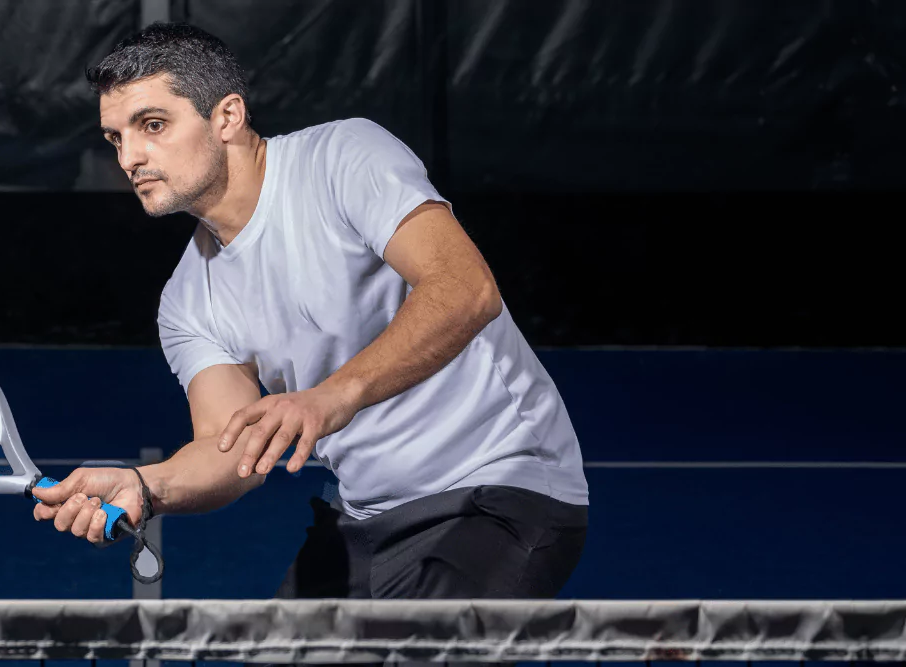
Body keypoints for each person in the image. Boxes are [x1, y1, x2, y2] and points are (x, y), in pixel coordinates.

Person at [31, 22, 590, 601]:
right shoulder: (186, 300)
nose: (131, 156)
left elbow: (465, 289)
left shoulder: (343, 157)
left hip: (501, 490)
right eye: (114, 137)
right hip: (367, 517)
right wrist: (146, 487)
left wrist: (330, 397)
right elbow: (227, 449)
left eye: (152, 125)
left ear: (227, 117)